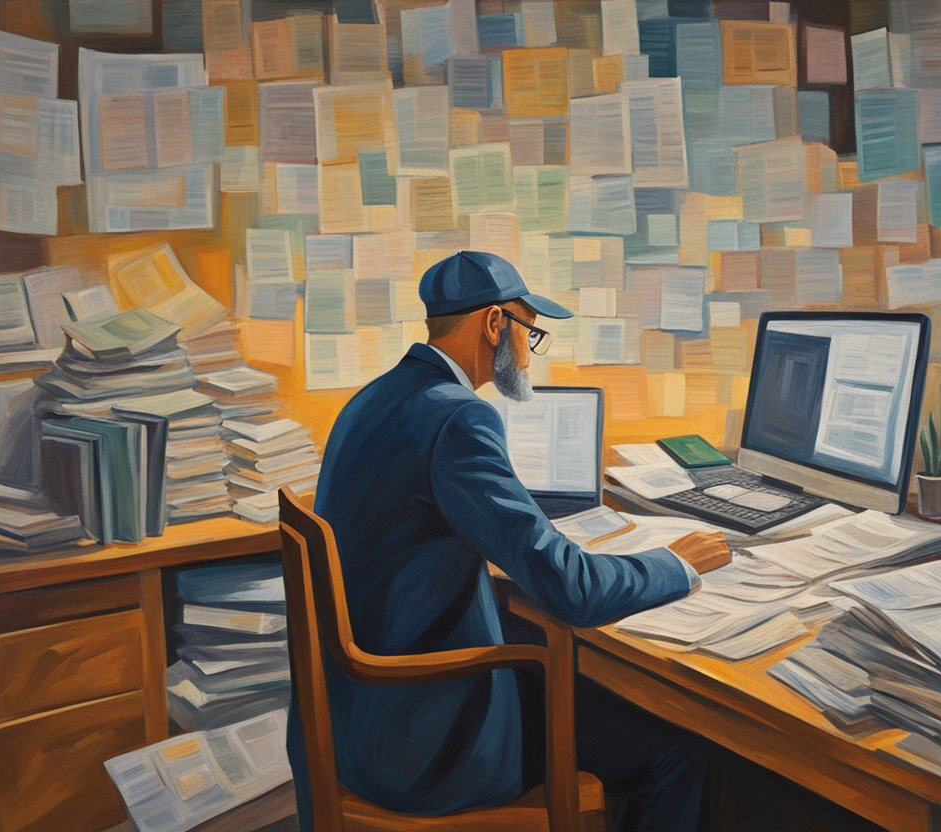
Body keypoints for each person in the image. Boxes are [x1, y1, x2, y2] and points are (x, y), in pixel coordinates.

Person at [287, 250, 732, 831]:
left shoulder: (374, 398)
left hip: (355, 723)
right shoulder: (459, 420)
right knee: (677, 748)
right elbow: (570, 589)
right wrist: (676, 564)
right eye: (530, 331)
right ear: (495, 323)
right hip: (429, 748)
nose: (529, 350)